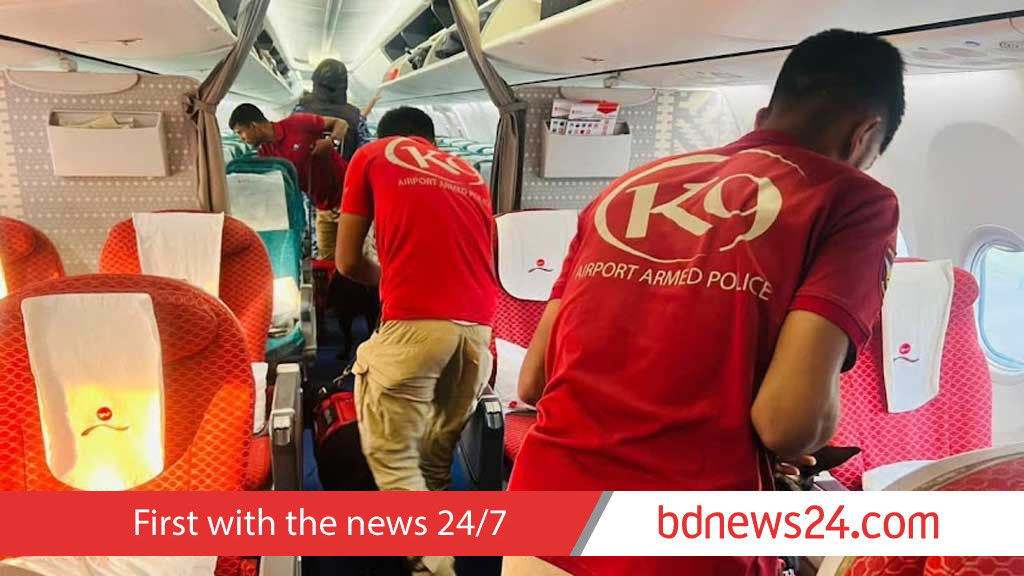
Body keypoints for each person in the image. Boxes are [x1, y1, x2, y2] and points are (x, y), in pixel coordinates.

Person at [505, 29, 905, 575]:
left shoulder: (627, 186)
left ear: (764, 114)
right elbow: (788, 425)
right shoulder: (855, 201)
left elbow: (534, 382)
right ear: (865, 135)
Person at [336, 106, 497, 575]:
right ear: (433, 141)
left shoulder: (371, 155)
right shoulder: (470, 173)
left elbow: (346, 262)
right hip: (478, 334)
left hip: (415, 328)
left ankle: (433, 567)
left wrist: (392, 280)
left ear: (386, 136)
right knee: (435, 458)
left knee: (394, 459)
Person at [228, 103, 348, 259]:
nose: (241, 139)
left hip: (348, 197)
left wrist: (332, 141)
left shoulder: (297, 123)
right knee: (326, 259)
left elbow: (340, 123)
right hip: (322, 207)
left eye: (241, 133)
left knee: (355, 258)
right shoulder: (265, 153)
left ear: (253, 125)